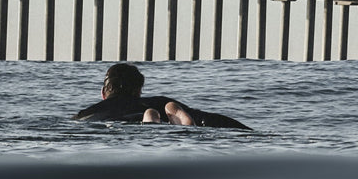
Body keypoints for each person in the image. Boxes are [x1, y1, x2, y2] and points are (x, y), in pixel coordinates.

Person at [72, 63, 251, 130]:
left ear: (103, 93)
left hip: (102, 122)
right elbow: (208, 118)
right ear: (138, 91)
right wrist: (250, 132)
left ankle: (150, 123)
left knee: (143, 125)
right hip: (151, 112)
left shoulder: (83, 114)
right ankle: (157, 120)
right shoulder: (156, 101)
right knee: (189, 118)